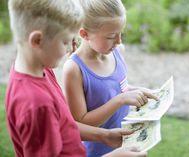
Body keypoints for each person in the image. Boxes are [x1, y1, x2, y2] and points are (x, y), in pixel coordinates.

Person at [5, 0, 147, 156]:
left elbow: (64, 124)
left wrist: (105, 136)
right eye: (65, 41)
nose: (70, 48)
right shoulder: (37, 105)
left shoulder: (39, 69)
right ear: (37, 41)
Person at [63, 0, 158, 156]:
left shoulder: (118, 51)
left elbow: (115, 88)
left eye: (121, 33)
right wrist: (121, 100)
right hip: (98, 151)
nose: (119, 41)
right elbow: (81, 122)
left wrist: (139, 91)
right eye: (111, 36)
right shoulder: (74, 69)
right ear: (84, 34)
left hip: (126, 144)